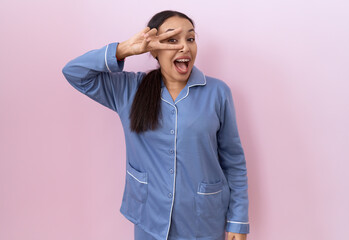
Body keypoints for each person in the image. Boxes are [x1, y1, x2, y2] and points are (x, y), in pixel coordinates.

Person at [62, 10, 250, 240]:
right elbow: (74, 72)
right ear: (153, 49)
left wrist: (238, 221)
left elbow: (234, 162)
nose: (185, 47)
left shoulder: (218, 93)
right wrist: (124, 49)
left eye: (190, 39)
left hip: (205, 221)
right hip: (149, 219)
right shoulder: (129, 90)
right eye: (172, 40)